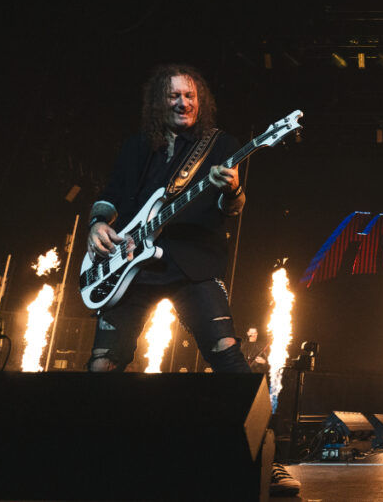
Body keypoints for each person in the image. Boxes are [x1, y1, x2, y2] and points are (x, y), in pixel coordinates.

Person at [85, 63, 300, 496]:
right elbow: (110, 195)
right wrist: (97, 224)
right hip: (132, 267)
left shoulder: (221, 144)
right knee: (102, 364)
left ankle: (269, 459)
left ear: (200, 102)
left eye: (190, 97)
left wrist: (232, 188)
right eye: (174, 96)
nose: (183, 103)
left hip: (192, 263)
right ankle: (91, 457)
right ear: (158, 103)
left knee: (226, 352)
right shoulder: (135, 147)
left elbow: (232, 209)